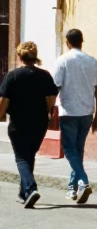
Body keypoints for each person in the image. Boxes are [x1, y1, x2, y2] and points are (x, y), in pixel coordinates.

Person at [0, 42, 60, 208]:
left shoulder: (13, 76)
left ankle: (31, 187)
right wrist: (47, 112)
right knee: (29, 155)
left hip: (18, 122)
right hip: (39, 122)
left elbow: (4, 101)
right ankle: (24, 192)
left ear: (20, 56)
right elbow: (51, 98)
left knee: (21, 158)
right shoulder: (45, 75)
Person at [52, 28, 97, 204]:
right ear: (82, 41)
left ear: (68, 42)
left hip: (69, 111)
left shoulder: (63, 60)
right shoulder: (93, 61)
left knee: (69, 150)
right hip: (87, 112)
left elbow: (55, 86)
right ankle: (72, 188)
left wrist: (49, 109)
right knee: (78, 150)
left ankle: (83, 182)